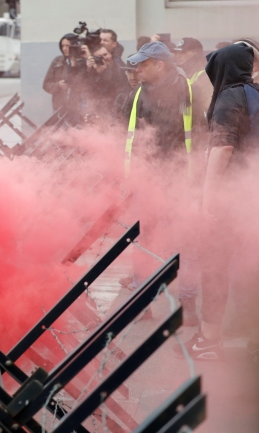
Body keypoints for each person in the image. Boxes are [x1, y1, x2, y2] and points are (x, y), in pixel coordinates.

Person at [176, 43, 259, 360]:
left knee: (215, 267)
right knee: (249, 268)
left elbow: (223, 149)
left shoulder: (228, 98)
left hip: (229, 198)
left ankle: (209, 340)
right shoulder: (255, 94)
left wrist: (208, 201)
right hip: (250, 195)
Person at [122, 41, 201, 324]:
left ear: (160, 64)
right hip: (148, 180)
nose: (137, 69)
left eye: (143, 64)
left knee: (185, 241)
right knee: (145, 239)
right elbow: (128, 138)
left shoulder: (187, 89)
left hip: (181, 178)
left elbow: (201, 133)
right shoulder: (136, 95)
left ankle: (188, 304)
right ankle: (142, 304)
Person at [174, 37, 212, 129]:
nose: (178, 56)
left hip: (200, 130)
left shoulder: (205, 76)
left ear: (195, 54)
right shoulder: (184, 73)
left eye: (182, 52)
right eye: (177, 52)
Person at [83, 45, 129, 117]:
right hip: (98, 112)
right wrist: (88, 70)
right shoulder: (92, 72)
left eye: (105, 54)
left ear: (110, 54)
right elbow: (85, 89)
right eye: (99, 57)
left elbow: (117, 87)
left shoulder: (119, 67)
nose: (104, 58)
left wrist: (104, 72)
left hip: (117, 110)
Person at [43, 33, 83, 113]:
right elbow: (46, 85)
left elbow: (85, 84)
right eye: (62, 46)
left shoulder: (82, 62)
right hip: (59, 107)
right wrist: (58, 85)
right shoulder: (57, 61)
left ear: (75, 46)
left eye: (67, 46)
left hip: (78, 108)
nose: (64, 48)